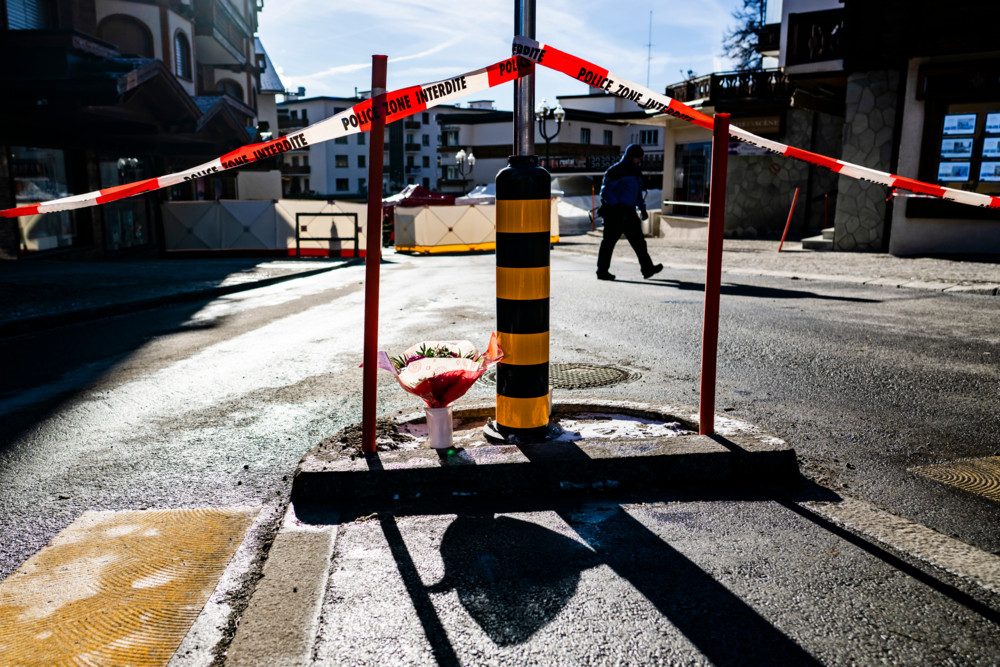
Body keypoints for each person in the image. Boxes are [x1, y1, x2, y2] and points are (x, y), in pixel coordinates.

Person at [596, 144, 663, 281]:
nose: (639, 160)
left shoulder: (635, 172)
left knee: (639, 242)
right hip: (615, 213)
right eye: (638, 158)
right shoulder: (615, 171)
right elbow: (605, 192)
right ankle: (602, 271)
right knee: (608, 243)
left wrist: (642, 209)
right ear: (632, 157)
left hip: (629, 212)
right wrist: (617, 205)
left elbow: (637, 193)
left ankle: (647, 269)